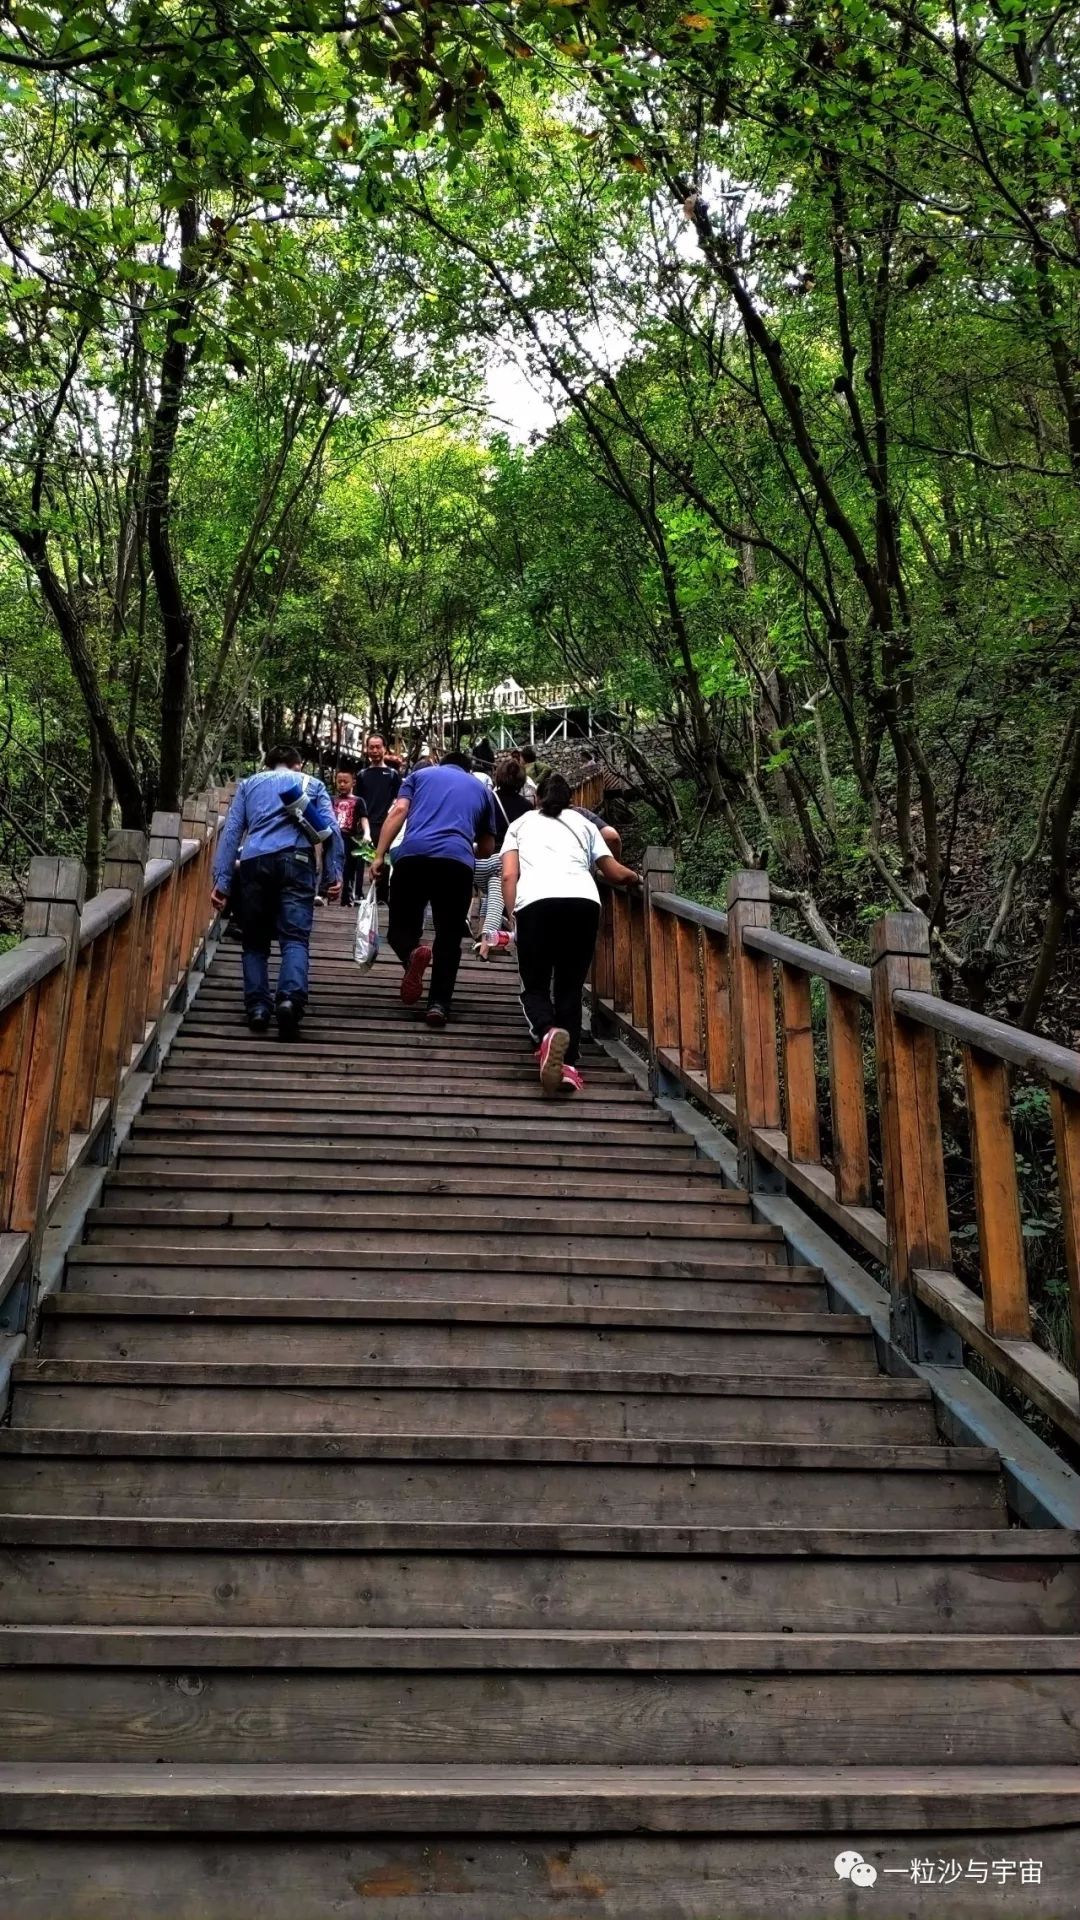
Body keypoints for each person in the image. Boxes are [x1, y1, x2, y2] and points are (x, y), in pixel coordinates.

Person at [500, 771, 640, 1094]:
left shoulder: (519, 825)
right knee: (569, 985)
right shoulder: (585, 824)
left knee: (534, 983)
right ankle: (569, 1065)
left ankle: (547, 1032)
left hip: (535, 904)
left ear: (537, 799)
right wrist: (635, 878)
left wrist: (513, 918)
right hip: (583, 904)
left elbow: (509, 875)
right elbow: (613, 872)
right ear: (571, 800)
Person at [211, 744, 343, 1040]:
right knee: (294, 937)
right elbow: (330, 830)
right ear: (298, 765)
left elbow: (232, 831)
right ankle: (289, 1000)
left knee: (254, 940)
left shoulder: (249, 785)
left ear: (267, 764)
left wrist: (221, 881)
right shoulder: (313, 784)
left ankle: (258, 1007)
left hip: (254, 861)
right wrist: (334, 875)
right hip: (296, 860)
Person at [370, 747, 497, 1028]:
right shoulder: (482, 789)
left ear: (441, 763)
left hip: (413, 858)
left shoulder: (420, 775)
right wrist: (462, 846)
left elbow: (399, 810)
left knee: (401, 929)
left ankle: (412, 954)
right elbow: (488, 848)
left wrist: (379, 855)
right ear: (468, 768)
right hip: (456, 865)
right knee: (449, 936)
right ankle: (438, 1004)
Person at [473, 755, 534, 958]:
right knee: (501, 875)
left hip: (482, 861)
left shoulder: (487, 799)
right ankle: (486, 943)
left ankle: (483, 934)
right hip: (509, 863)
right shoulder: (527, 808)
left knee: (495, 883)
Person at [357, 734, 402, 903]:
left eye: (378, 747)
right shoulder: (362, 774)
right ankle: (360, 895)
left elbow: (399, 800)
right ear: (367, 749)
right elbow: (358, 801)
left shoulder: (392, 774)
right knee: (363, 859)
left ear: (384, 749)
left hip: (387, 823)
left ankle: (382, 897)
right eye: (371, 747)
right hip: (367, 823)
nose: (375, 751)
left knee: (385, 859)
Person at [330, 768, 367, 907]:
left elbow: (364, 818)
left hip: (349, 838)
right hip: (332, 836)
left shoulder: (358, 801)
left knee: (348, 869)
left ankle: (347, 897)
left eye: (346, 781)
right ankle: (323, 894)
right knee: (330, 866)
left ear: (353, 783)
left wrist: (367, 833)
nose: (342, 784)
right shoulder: (331, 799)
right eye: (339, 781)